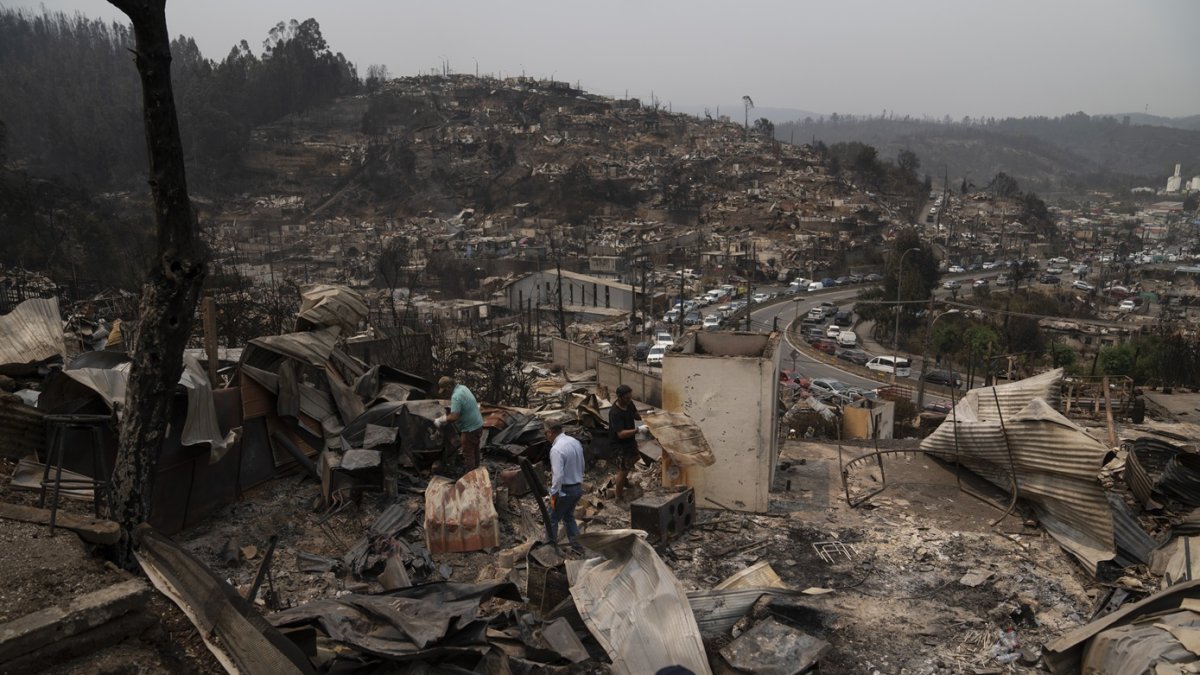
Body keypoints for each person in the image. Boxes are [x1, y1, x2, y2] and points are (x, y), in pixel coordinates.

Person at [545, 421, 585, 552]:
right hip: (577, 487)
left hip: (565, 490)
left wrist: (553, 494)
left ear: (551, 432)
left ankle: (551, 549)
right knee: (568, 517)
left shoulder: (556, 449)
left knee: (552, 518)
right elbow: (582, 464)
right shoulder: (574, 442)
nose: (546, 437)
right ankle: (578, 547)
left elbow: (557, 475)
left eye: (546, 434)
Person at [435, 376, 484, 470]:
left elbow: (454, 417)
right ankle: (477, 471)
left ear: (449, 387)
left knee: (468, 453)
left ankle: (470, 477)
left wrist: (441, 419)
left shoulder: (456, 396)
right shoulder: (463, 388)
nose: (445, 394)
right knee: (475, 449)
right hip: (478, 425)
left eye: (445, 391)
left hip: (470, 428)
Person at [608, 384, 646, 501]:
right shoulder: (615, 412)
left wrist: (647, 417)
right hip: (619, 444)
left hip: (630, 441)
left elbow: (636, 415)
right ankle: (618, 497)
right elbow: (621, 434)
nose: (629, 400)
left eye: (630, 398)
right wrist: (638, 430)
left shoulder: (629, 403)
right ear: (619, 397)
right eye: (626, 398)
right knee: (623, 470)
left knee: (635, 457)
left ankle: (624, 481)